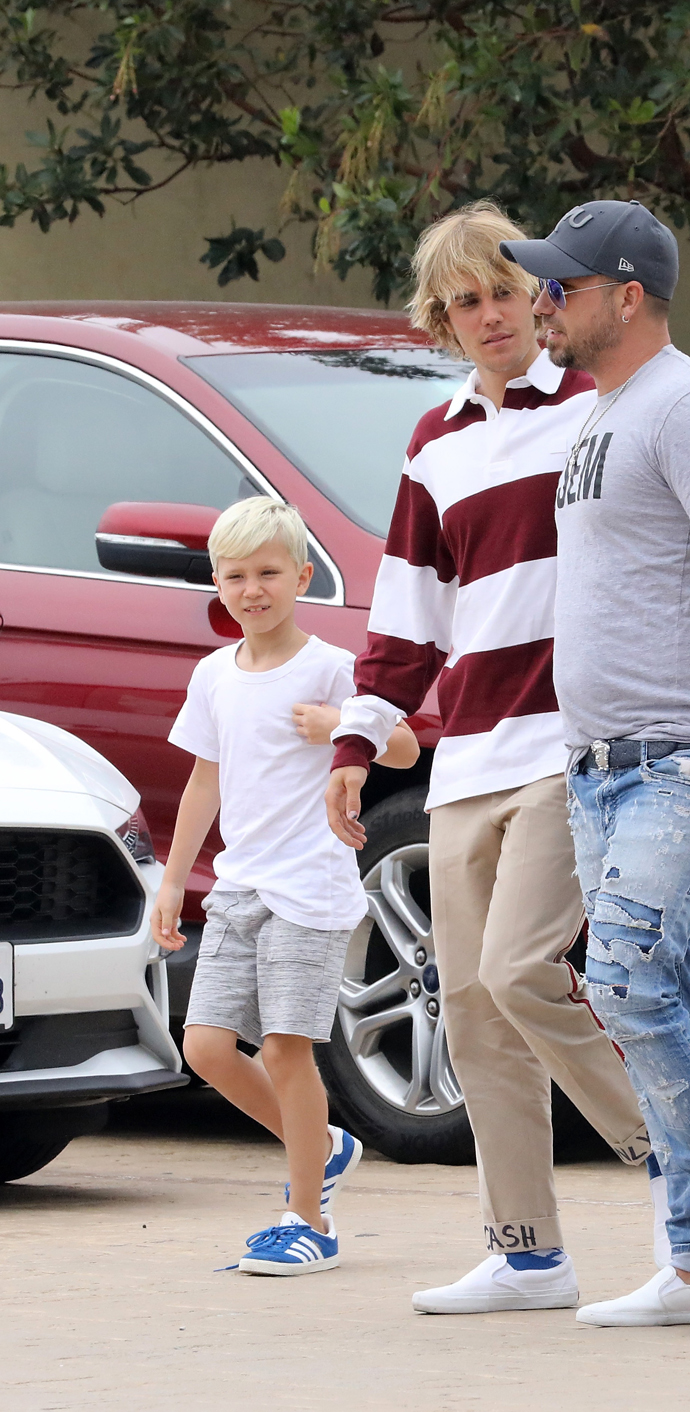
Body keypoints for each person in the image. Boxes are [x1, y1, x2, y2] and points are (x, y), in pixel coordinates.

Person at [326, 200, 653, 1316]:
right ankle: (527, 1251)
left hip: (573, 740)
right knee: (467, 1004)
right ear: (444, 321)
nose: (488, 314)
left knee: (522, 971)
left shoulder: (605, 402)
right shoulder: (437, 442)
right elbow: (408, 615)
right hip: (466, 756)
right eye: (465, 301)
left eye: (505, 292)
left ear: (542, 298)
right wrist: (358, 739)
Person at [501, 199, 690, 1329]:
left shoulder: (688, 404)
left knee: (617, 972)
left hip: (682, 756)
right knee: (654, 985)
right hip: (600, 765)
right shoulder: (603, 413)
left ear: (628, 294)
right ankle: (681, 1259)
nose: (539, 304)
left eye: (560, 288)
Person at [151, 497, 418, 1276]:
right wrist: (174, 885)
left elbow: (401, 747)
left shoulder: (331, 667)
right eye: (235, 576)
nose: (252, 589)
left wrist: (341, 724)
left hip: (309, 890)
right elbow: (205, 780)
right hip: (239, 889)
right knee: (204, 1047)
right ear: (217, 584)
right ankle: (323, 1146)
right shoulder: (212, 675)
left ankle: (309, 1220)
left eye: (269, 572)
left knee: (285, 1048)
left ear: (302, 576)